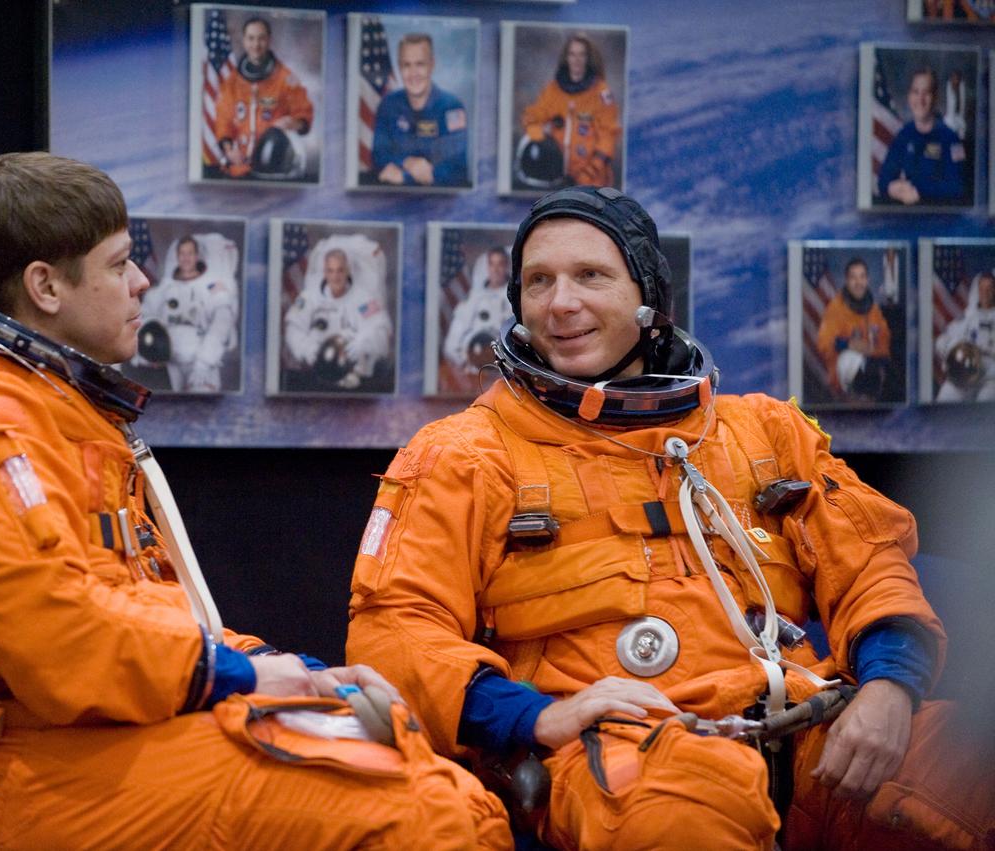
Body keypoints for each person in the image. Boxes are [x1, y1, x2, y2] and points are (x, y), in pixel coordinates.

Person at [0, 153, 510, 850]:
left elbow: (139, 607)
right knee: (430, 815)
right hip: (8, 761)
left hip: (85, 727)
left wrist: (293, 668)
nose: (144, 281)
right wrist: (247, 678)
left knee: (434, 771)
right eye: (120, 264)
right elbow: (59, 641)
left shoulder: (45, 408)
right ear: (46, 287)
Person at [347, 186, 993, 849]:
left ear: (649, 296)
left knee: (972, 773)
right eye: (537, 281)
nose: (560, 302)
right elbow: (395, 631)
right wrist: (539, 715)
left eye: (590, 276)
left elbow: (870, 562)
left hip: (808, 726)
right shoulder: (464, 455)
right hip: (627, 753)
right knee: (680, 817)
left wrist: (891, 686)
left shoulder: (763, 433)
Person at [132, 234, 238, 393]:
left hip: (200, 364)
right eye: (182, 254)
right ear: (177, 256)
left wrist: (204, 362)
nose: (186, 258)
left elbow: (221, 327)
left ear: (197, 256)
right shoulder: (164, 289)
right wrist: (149, 352)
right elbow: (144, 320)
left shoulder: (212, 289)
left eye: (190, 253)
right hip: (168, 364)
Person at [214, 17, 314, 179]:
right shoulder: (231, 81)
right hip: (237, 168)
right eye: (251, 38)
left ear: (269, 40)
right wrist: (229, 149)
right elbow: (223, 120)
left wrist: (292, 123)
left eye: (261, 38)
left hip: (271, 168)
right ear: (244, 41)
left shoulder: (286, 79)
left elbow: (304, 112)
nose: (256, 45)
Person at [284, 245, 393, 391]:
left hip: (354, 378)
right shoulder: (309, 298)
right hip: (316, 376)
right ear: (325, 272)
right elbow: (293, 328)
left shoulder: (363, 300)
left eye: (340, 270)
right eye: (331, 271)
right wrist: (306, 348)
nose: (335, 277)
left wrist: (364, 343)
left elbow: (381, 329)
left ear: (347, 271)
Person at [520, 33, 620, 188]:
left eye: (582, 55)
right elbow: (532, 116)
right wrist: (539, 138)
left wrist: (590, 172)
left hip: (591, 179)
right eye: (572, 54)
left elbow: (608, 136)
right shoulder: (553, 90)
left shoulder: (600, 93)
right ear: (566, 58)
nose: (577, 60)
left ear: (589, 58)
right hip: (557, 177)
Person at [370, 33, 468, 188]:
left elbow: (456, 170)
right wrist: (408, 162)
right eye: (406, 65)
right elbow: (379, 154)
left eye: (420, 64)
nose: (413, 73)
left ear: (432, 65)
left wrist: (405, 178)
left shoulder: (451, 107)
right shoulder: (388, 104)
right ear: (399, 67)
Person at [877, 66, 966, 206]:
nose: (920, 99)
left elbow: (958, 187)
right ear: (909, 96)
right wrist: (892, 188)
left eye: (927, 93)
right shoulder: (904, 135)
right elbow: (883, 180)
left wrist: (919, 191)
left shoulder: (950, 138)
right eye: (915, 92)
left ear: (935, 97)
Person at [815, 258, 892, 402]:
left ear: (867, 280)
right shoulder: (836, 309)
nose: (858, 283)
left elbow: (884, 344)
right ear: (846, 280)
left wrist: (871, 350)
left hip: (871, 381)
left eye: (862, 277)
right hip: (842, 389)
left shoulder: (874, 310)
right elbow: (823, 344)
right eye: (853, 277)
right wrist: (848, 344)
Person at [443, 247, 511, 375]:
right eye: (492, 264)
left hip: (504, 372)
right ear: (487, 268)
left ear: (506, 267)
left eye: (500, 264)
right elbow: (452, 344)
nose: (495, 270)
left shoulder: (514, 301)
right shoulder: (473, 300)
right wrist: (468, 361)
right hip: (475, 372)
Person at [935, 270, 995, 403]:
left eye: (989, 289)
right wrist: (952, 348)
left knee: (985, 404)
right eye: (982, 289)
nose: (985, 293)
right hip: (963, 374)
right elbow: (942, 341)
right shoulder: (968, 318)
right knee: (945, 398)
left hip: (990, 379)